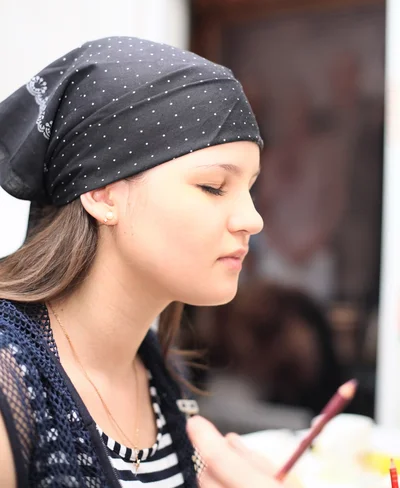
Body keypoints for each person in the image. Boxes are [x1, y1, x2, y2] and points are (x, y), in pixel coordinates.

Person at [0, 37, 299, 487]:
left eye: (250, 189)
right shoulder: (12, 385)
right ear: (102, 194)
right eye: (214, 187)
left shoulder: (160, 374)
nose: (252, 220)